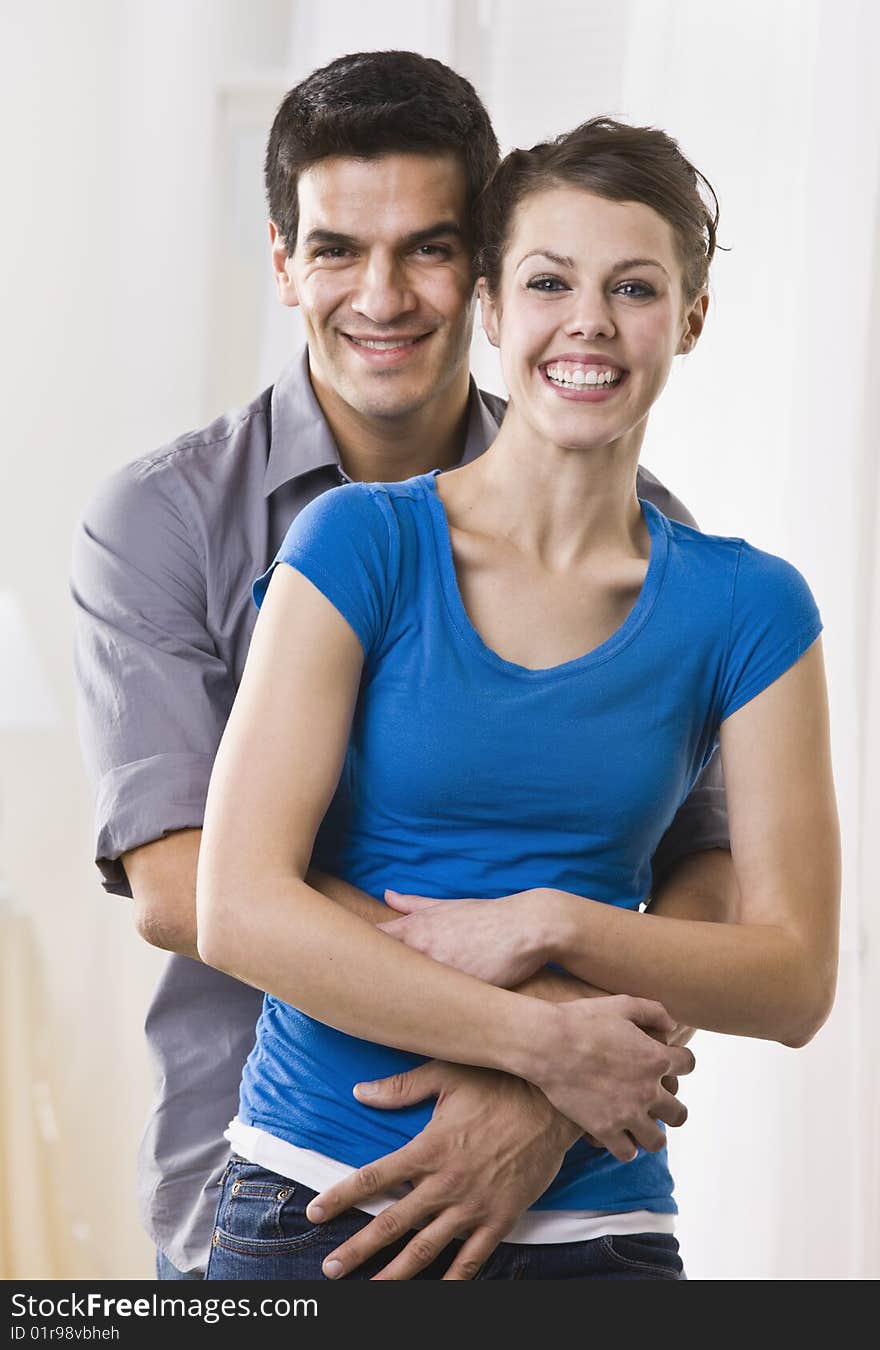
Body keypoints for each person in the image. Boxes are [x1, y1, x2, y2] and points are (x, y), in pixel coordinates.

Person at [71, 53, 735, 1283]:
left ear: (484, 268)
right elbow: (182, 883)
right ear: (281, 262)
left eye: (427, 248)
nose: (380, 295)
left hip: (568, 1185)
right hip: (266, 1187)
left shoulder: (651, 534)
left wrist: (550, 1096)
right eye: (334, 250)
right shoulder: (163, 520)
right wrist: (531, 1042)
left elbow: (709, 860)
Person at [194, 115, 840, 1281]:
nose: (588, 320)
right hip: (320, 1209)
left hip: (599, 1229)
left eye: (634, 287)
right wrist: (542, 1048)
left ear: (690, 319)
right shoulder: (359, 542)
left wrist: (556, 922)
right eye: (549, 281)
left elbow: (792, 978)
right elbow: (238, 904)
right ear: (493, 307)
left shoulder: (752, 608)